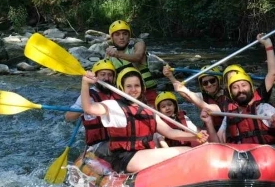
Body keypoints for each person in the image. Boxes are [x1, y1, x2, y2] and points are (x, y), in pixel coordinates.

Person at [81, 68, 209, 173]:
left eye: (137, 85)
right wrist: (85, 84)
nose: (133, 89)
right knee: (185, 153)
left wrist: (194, 137)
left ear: (142, 87)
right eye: (129, 86)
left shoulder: (148, 110)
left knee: (190, 151)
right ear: (122, 88)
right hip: (125, 157)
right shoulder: (113, 106)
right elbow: (89, 108)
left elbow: (170, 132)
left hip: (145, 153)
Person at [202, 70, 275, 144]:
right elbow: (217, 145)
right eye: (235, 87)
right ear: (230, 93)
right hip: (240, 158)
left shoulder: (263, 109)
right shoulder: (229, 115)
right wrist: (209, 122)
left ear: (251, 88)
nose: (240, 90)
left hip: (264, 157)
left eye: (244, 85)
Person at [65, 59, 117, 160]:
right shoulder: (88, 95)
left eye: (110, 75)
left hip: (117, 139)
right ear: (96, 77)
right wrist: (85, 108)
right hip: (97, 144)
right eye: (103, 74)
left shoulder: (118, 93)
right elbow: (68, 117)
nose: (106, 78)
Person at [105, 20, 158, 104]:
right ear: (112, 37)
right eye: (117, 34)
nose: (121, 37)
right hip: (126, 97)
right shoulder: (109, 55)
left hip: (148, 94)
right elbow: (107, 77)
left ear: (129, 36)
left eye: (125, 34)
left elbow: (138, 57)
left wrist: (117, 54)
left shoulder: (138, 44)